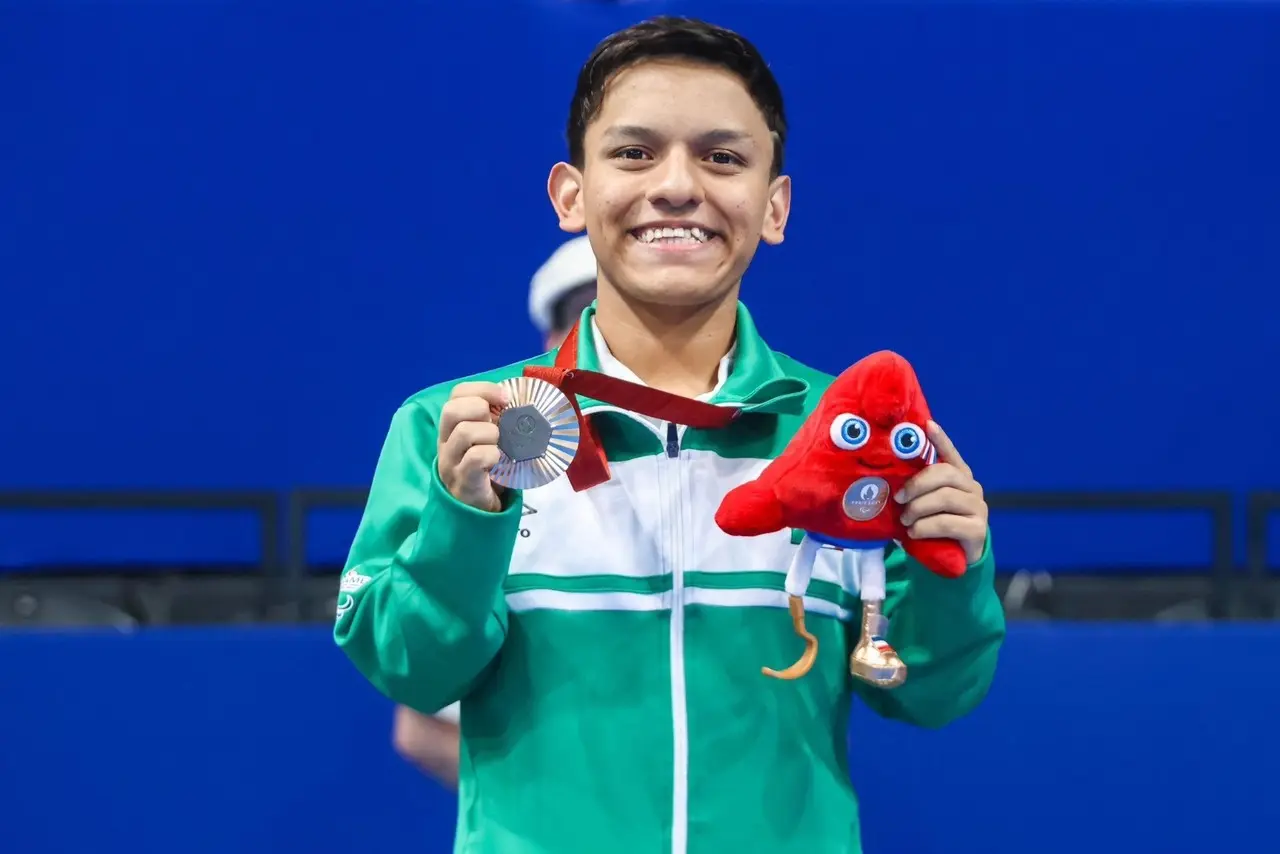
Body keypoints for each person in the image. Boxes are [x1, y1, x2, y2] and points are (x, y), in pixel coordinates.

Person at [335, 15, 1004, 854]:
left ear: (775, 205)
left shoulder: (851, 435)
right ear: (570, 194)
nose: (678, 186)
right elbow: (412, 669)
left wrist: (954, 567)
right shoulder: (456, 429)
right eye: (634, 153)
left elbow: (931, 694)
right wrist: (466, 517)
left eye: (723, 158)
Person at [389, 236, 599, 789]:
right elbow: (421, 726)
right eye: (586, 314)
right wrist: (560, 809)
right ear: (550, 342)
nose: (608, 333)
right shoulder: (493, 486)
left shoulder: (749, 464)